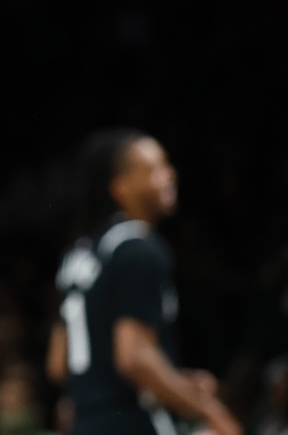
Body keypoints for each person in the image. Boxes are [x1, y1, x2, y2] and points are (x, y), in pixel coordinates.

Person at [45, 130, 239, 435]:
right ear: (120, 187)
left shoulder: (79, 254)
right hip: (134, 422)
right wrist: (211, 412)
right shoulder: (139, 249)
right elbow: (134, 358)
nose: (170, 175)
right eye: (153, 169)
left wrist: (173, 381)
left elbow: (58, 364)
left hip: (85, 423)